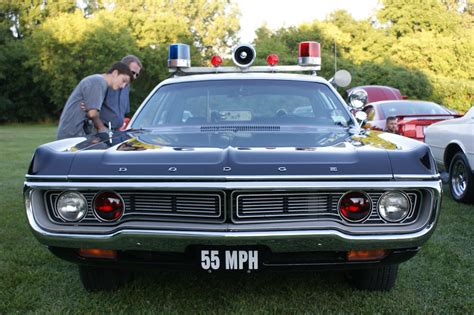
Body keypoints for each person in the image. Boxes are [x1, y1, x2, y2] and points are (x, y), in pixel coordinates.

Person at [56, 62, 133, 140]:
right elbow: (92, 114)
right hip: (73, 136)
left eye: (126, 84)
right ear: (115, 73)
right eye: (123, 81)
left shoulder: (100, 83)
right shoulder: (98, 82)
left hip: (79, 135)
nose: (123, 86)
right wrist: (102, 129)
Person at [100, 55, 142, 131]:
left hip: (116, 131)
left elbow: (124, 113)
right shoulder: (104, 82)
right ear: (123, 68)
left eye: (137, 74)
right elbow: (91, 107)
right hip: (101, 130)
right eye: (133, 72)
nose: (134, 77)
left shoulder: (126, 87)